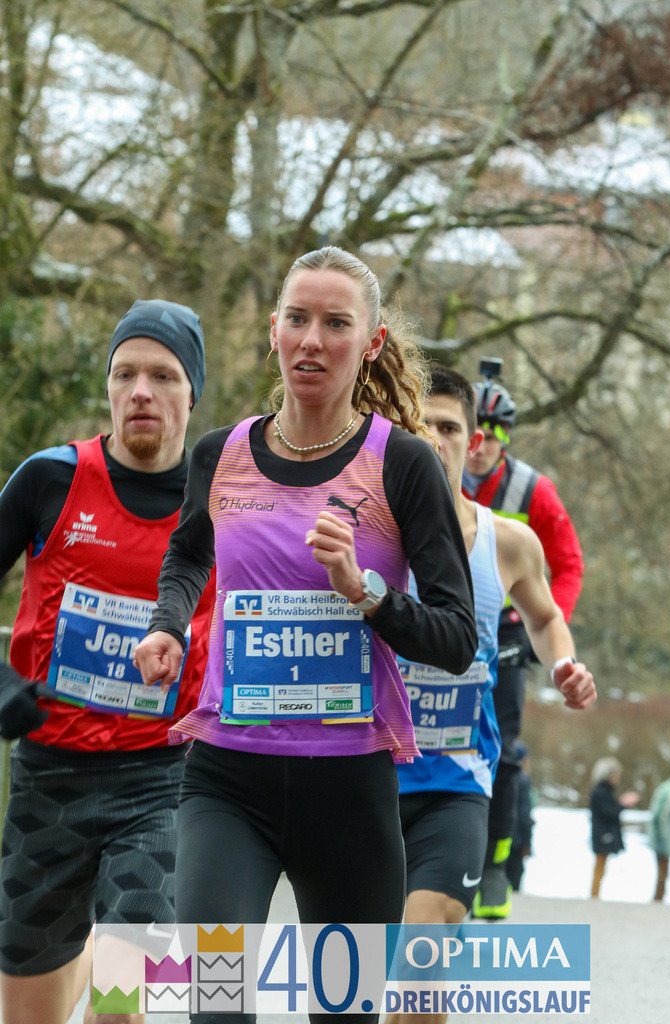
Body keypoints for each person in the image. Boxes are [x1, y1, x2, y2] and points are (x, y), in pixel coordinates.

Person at [133, 246, 478, 1024]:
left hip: (348, 793)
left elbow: (457, 639)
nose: (311, 340)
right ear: (272, 329)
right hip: (226, 782)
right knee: (214, 1008)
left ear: (372, 343)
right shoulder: (219, 454)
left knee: (344, 1015)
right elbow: (189, 552)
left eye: (334, 323)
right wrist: (167, 626)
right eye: (297, 318)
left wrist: (367, 593)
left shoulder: (405, 466)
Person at [0, 300, 215, 1024]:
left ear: (193, 394)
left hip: (162, 783)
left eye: (163, 374)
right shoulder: (48, 480)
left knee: (127, 1003)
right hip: (48, 777)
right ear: (108, 389)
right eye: (125, 373)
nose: (142, 391)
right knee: (29, 1014)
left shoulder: (222, 507)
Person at [386, 366, 596, 1024]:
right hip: (362, 782)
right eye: (418, 428)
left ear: (473, 441)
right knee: (347, 989)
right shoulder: (362, 536)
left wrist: (562, 664)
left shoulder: (507, 541)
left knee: (419, 970)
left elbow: (541, 616)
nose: (434, 441)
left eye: (448, 428)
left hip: (455, 786)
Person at [462, 358, 584, 919]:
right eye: (477, 436)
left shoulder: (533, 489)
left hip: (511, 628)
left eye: (496, 438)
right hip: (448, 619)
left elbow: (567, 564)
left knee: (504, 752)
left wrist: (549, 630)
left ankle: (495, 867)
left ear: (503, 439)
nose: (482, 449)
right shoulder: (432, 467)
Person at [589, 757, 640, 899]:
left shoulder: (605, 791)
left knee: (601, 866)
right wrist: (623, 804)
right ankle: (594, 895)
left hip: (604, 832)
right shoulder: (600, 791)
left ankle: (595, 894)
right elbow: (609, 812)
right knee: (599, 866)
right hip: (602, 833)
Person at [648, 767, 670, 902]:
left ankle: (659, 899)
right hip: (663, 840)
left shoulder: (669, 790)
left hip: (666, 839)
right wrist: (663, 839)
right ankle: (658, 900)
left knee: (663, 872)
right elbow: (660, 817)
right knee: (663, 873)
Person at [506, 741, 536, 892]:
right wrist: (527, 842)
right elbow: (524, 813)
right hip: (516, 840)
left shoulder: (498, 776)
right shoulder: (523, 780)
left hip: (497, 834)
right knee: (513, 883)